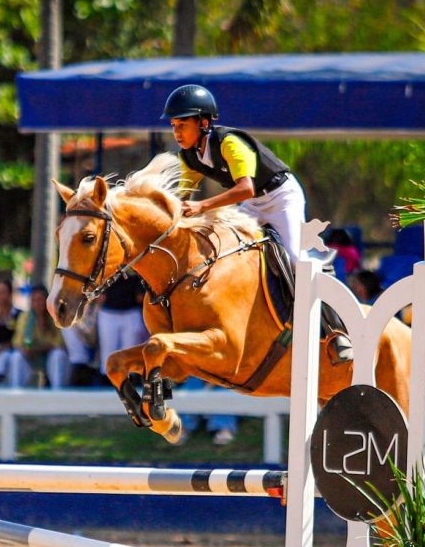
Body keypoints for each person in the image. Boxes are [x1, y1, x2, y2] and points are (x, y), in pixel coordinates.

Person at [163, 84, 308, 262]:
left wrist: (201, 206)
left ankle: (319, 275)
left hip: (281, 198)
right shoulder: (188, 157)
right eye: (173, 125)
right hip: (252, 205)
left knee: (295, 259)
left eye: (183, 125)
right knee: (226, 251)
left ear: (204, 123)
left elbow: (246, 189)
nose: (176, 132)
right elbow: (181, 198)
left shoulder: (229, 143)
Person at [5, 285, 70, 389]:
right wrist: (28, 349)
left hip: (50, 357)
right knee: (16, 357)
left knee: (58, 355)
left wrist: (38, 348)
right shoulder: (25, 317)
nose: (37, 304)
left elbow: (58, 344)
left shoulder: (55, 316)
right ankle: (16, 391)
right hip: (30, 357)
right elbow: (18, 342)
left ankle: (58, 391)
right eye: (34, 300)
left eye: (40, 300)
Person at [97, 274, 149, 377]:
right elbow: (100, 295)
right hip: (108, 312)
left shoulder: (134, 266)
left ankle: (129, 381)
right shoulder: (108, 265)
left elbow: (140, 296)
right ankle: (108, 380)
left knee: (129, 351)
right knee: (107, 351)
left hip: (131, 312)